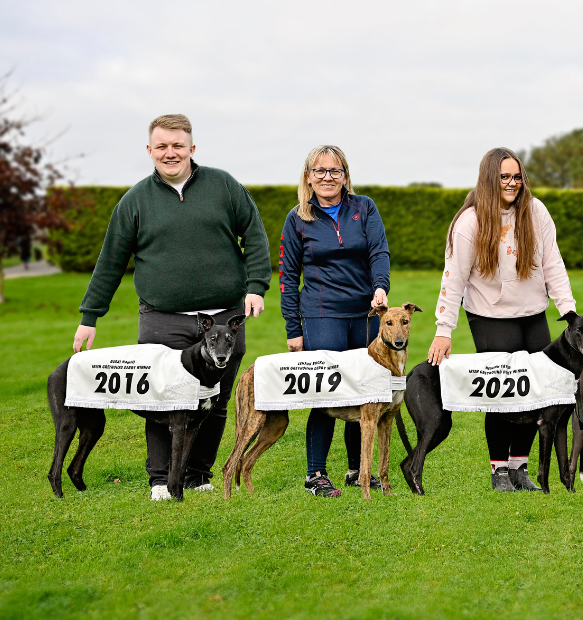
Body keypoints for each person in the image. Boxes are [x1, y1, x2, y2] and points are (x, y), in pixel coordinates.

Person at [74, 114, 271, 500]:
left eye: (178, 145)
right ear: (149, 151)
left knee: (212, 402)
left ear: (192, 148)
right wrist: (90, 317)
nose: (170, 153)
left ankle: (198, 475)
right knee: (161, 402)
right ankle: (161, 480)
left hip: (222, 321)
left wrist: (256, 287)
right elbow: (110, 262)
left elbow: (256, 234)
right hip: (162, 322)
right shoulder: (135, 202)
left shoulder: (225, 186)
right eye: (161, 146)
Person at [428, 147, 576, 492]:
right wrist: (443, 329)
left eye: (517, 177)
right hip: (489, 315)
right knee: (503, 390)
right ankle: (499, 470)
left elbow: (553, 261)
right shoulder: (470, 222)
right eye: (504, 177)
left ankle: (520, 467)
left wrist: (566, 309)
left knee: (533, 390)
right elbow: (454, 278)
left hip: (532, 312)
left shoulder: (535, 211)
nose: (512, 184)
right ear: (489, 180)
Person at [280, 145, 390, 498]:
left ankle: (358, 470)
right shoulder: (297, 218)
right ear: (309, 176)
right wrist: (294, 330)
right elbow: (287, 277)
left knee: (366, 390)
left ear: (345, 175)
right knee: (327, 393)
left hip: (365, 314)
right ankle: (316, 474)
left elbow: (378, 251)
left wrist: (380, 287)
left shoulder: (364, 207)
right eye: (320, 171)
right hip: (322, 314)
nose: (328, 178)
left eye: (335, 171)